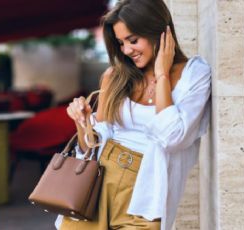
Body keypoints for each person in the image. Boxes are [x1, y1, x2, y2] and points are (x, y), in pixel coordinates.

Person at [58, 0, 211, 229]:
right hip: (97, 186)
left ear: (160, 32)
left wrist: (162, 75)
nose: (127, 50)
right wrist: (82, 122)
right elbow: (92, 147)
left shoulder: (194, 74)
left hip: (148, 195)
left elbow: (172, 138)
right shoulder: (116, 77)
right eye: (121, 43)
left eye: (133, 40)